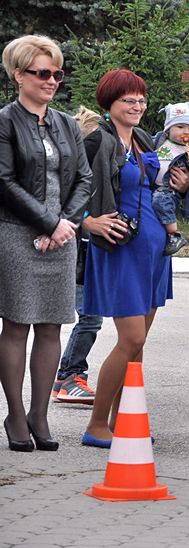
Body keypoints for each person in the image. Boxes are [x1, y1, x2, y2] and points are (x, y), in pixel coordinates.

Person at [0, 35, 92, 451]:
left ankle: (40, 414)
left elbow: (85, 178)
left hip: (62, 236)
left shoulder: (67, 124)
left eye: (57, 73)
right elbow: (4, 182)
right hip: (17, 234)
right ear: (19, 75)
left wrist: (65, 224)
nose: (52, 80)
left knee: (52, 325)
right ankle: (15, 415)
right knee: (17, 325)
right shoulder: (5, 122)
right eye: (42, 73)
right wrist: (49, 222)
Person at [80, 69, 174, 448]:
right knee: (131, 338)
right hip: (121, 251)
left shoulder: (143, 139)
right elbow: (68, 190)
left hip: (153, 252)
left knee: (138, 344)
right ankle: (96, 425)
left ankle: (123, 420)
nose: (137, 106)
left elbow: (155, 188)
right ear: (109, 103)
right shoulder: (97, 141)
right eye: (128, 100)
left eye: (141, 99)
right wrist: (88, 221)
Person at [51, 106, 104, 405]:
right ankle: (69, 376)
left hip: (87, 257)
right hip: (77, 258)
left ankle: (66, 378)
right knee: (90, 318)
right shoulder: (74, 175)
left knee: (91, 318)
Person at [152, 101, 189, 256]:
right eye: (180, 127)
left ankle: (174, 234)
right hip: (153, 186)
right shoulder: (159, 141)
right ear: (168, 129)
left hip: (169, 190)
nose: (186, 132)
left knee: (160, 200)